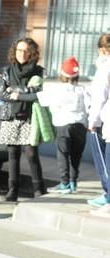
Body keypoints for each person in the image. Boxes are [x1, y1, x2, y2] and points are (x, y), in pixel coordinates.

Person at [0, 37, 46, 202]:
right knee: (13, 154)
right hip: (11, 116)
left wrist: (17, 92)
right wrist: (25, 93)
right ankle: (13, 190)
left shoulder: (38, 71)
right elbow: (3, 94)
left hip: (30, 117)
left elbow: (37, 93)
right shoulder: (7, 71)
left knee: (31, 153)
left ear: (31, 53)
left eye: (26, 51)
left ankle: (39, 189)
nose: (22, 54)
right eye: (19, 50)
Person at [36, 57, 88, 195]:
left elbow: (41, 99)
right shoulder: (83, 90)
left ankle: (64, 183)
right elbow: (90, 106)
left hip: (64, 127)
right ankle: (73, 182)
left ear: (62, 74)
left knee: (63, 154)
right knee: (76, 156)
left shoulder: (56, 90)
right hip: (80, 127)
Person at [87, 33, 110, 215]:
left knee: (105, 162)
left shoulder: (105, 67)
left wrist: (92, 120)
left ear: (102, 49)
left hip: (104, 120)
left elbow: (99, 97)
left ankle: (108, 197)